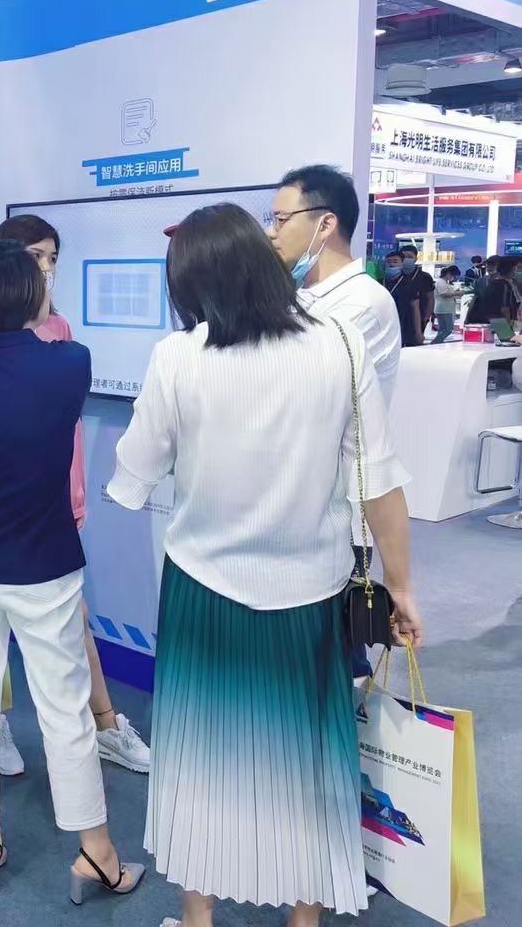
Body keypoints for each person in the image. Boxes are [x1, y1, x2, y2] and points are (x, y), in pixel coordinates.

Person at [109, 203, 423, 927]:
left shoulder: (178, 355)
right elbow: (379, 480)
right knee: (309, 759)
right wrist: (403, 587)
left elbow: (135, 473)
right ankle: (303, 919)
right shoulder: (339, 343)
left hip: (202, 589)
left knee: (197, 757)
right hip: (312, 587)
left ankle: (198, 918)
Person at [0, 239, 141, 904]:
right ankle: (95, 851)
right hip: (44, 564)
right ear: (29, 295)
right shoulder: (70, 362)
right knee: (64, 708)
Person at [266, 166, 401, 684]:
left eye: (281, 220)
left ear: (325, 224)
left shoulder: (362, 303)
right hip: (292, 504)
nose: (272, 232)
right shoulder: (301, 296)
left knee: (334, 662)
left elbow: (290, 391)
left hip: (338, 514)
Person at [466, 255, 521, 325]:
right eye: (488, 264)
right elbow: (474, 300)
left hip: (499, 320)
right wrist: (467, 319)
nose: (489, 267)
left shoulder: (512, 282)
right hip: (490, 320)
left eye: (492, 264)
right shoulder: (481, 282)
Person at [431, 265, 464, 343]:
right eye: (453, 275)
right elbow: (444, 294)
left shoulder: (445, 282)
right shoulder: (440, 282)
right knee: (448, 329)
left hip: (445, 308)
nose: (453, 278)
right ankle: (436, 342)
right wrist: (457, 293)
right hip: (443, 309)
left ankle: (438, 342)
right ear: (448, 273)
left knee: (443, 329)